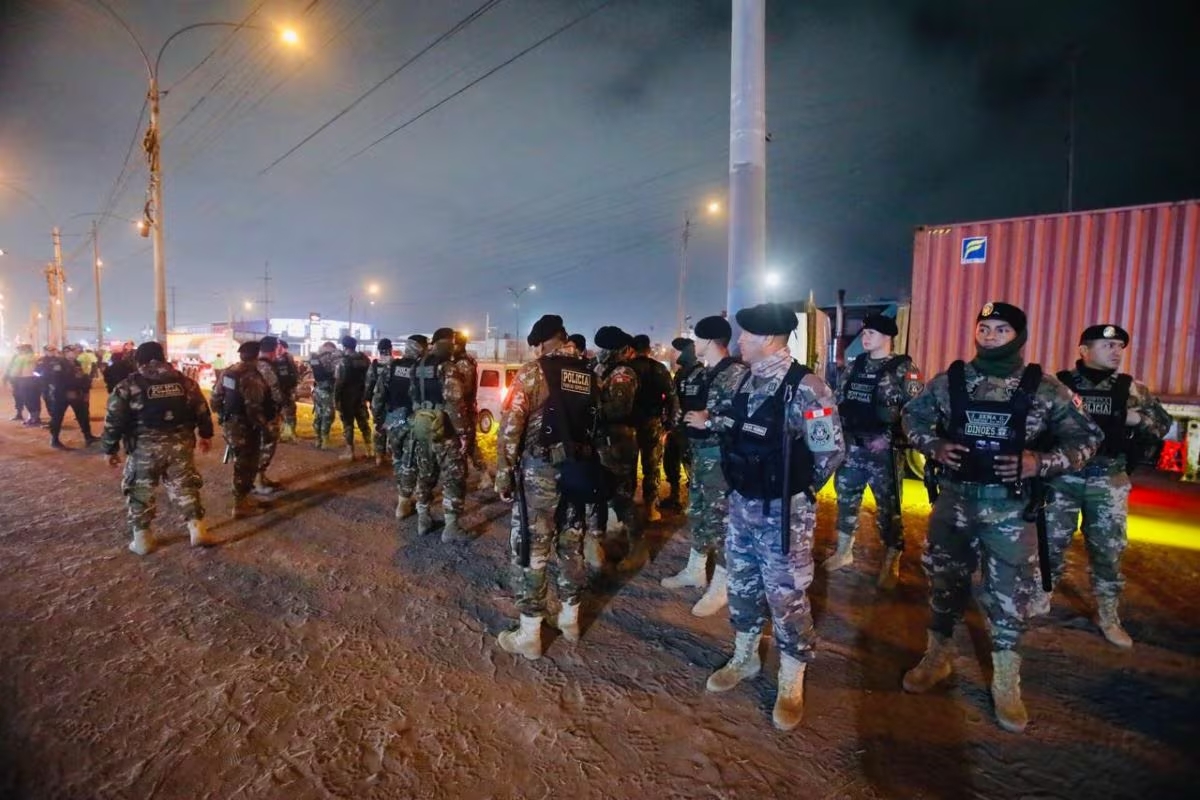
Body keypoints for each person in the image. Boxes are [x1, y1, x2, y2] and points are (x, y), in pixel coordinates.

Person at [901, 301, 1102, 734]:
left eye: (1001, 330)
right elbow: (912, 417)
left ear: (1018, 337)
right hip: (954, 503)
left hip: (1010, 510)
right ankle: (938, 656)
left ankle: (1007, 680)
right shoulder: (951, 380)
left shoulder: (1044, 388)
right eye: (984, 327)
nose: (989, 336)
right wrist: (932, 446)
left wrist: (1039, 462)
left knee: (1009, 596)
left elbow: (1087, 439)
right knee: (944, 582)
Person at [687, 303, 844, 731]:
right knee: (741, 583)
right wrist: (710, 421)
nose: (739, 341)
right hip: (742, 504)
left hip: (783, 514)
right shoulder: (745, 381)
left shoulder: (807, 388)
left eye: (746, 335)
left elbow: (829, 451)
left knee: (787, 596)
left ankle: (791, 679)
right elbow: (741, 426)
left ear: (769, 339)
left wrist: (797, 489)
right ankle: (745, 657)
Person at [1045, 324, 1172, 648]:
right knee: (1049, 545)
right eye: (1107, 345)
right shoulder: (1059, 386)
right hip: (1064, 476)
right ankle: (1040, 599)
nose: (1115, 351)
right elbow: (1036, 423)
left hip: (1108, 478)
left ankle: (1108, 615)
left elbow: (1162, 425)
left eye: (1119, 346)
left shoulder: (1133, 390)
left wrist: (1135, 419)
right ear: (1084, 351)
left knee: (1108, 550)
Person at [495, 315, 598, 659]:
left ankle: (529, 634)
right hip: (578, 471)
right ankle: (570, 620)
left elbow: (511, 427)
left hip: (540, 472)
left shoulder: (533, 371)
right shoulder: (587, 372)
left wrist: (504, 472)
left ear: (542, 342)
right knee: (571, 543)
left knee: (532, 548)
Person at [826, 313, 924, 588]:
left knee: (888, 509)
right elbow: (839, 400)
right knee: (846, 499)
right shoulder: (855, 366)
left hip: (884, 454)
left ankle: (892, 558)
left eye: (871, 333)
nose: (865, 337)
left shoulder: (906, 369)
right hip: (853, 448)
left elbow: (917, 411)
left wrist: (894, 436)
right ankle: (843, 551)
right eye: (865, 332)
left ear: (887, 337)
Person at [100, 341, 216, 554]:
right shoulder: (185, 383)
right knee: (186, 487)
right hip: (180, 446)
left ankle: (142, 538)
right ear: (162, 358)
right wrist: (205, 435)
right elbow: (202, 410)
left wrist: (109, 449)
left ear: (139, 360)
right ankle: (197, 529)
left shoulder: (128, 386)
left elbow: (113, 420)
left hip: (144, 449)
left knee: (140, 490)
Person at [667, 316, 748, 617]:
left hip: (721, 458)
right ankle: (696, 569)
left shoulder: (736, 374)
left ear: (710, 340)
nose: (694, 343)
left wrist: (709, 421)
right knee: (699, 513)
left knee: (721, 522)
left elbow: (744, 420)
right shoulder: (707, 373)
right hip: (701, 455)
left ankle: (722, 586)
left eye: (697, 338)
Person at [410, 327, 472, 541]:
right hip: (444, 430)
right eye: (452, 342)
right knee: (454, 476)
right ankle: (451, 527)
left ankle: (423, 518)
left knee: (425, 474)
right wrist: (463, 433)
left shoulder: (418, 365)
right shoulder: (448, 368)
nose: (454, 346)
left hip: (422, 426)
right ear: (443, 342)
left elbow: (413, 396)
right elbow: (454, 403)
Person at [588, 325, 640, 567]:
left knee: (621, 497)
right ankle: (601, 546)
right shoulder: (598, 369)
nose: (600, 353)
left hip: (618, 444)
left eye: (605, 348)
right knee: (597, 493)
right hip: (600, 442)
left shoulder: (623, 374)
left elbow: (621, 408)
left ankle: (636, 549)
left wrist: (591, 412)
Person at [211, 341, 272, 519]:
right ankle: (240, 505)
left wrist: (223, 415)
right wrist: (264, 426)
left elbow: (215, 397)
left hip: (231, 423)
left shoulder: (229, 371)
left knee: (241, 461)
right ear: (256, 356)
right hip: (246, 425)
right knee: (246, 464)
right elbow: (253, 407)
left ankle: (243, 499)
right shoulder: (251, 376)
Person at [373, 334, 428, 518]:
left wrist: (378, 420)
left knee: (398, 458)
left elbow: (379, 395)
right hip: (413, 418)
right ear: (421, 348)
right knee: (412, 460)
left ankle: (404, 494)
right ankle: (405, 501)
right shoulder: (421, 369)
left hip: (394, 417)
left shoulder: (392, 366)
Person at [627, 334, 677, 521]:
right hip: (652, 422)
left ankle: (629, 505)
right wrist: (669, 423)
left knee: (629, 466)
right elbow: (672, 398)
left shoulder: (626, 369)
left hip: (628, 425)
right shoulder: (659, 369)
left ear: (631, 349)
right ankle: (650, 507)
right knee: (651, 466)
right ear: (648, 349)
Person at [661, 337, 703, 512]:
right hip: (676, 428)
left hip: (690, 429)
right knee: (670, 462)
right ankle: (674, 496)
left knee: (691, 467)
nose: (676, 353)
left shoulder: (700, 374)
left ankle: (697, 504)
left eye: (680, 349)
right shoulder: (680, 373)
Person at [451, 330, 491, 488]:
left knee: (468, 444)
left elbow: (464, 389)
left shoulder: (463, 363)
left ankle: (484, 474)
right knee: (466, 444)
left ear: (457, 344)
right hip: (463, 409)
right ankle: (469, 474)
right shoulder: (461, 360)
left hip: (464, 410)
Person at [45, 344, 99, 449]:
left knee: (83, 415)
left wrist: (86, 391)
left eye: (76, 352)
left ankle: (88, 437)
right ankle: (54, 439)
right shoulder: (58, 363)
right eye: (73, 351)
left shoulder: (77, 363)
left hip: (77, 394)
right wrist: (66, 392)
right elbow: (56, 380)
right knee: (57, 417)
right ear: (66, 352)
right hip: (61, 395)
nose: (75, 353)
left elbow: (82, 378)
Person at [253, 336, 287, 493]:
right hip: (266, 414)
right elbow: (276, 393)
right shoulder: (267, 368)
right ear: (274, 349)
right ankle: (258, 482)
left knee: (257, 446)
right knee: (267, 446)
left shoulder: (253, 364)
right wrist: (281, 407)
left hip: (252, 413)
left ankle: (260, 478)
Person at [334, 335, 372, 460]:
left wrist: (336, 399)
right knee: (363, 423)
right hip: (360, 396)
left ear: (344, 346)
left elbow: (339, 382)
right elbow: (369, 378)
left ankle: (349, 452)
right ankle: (370, 449)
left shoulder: (344, 361)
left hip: (347, 397)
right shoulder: (364, 359)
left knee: (348, 424)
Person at [365, 338, 395, 466]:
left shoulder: (375, 364)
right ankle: (393, 455)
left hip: (377, 402)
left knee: (378, 427)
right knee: (392, 427)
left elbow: (369, 383)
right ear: (391, 349)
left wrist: (368, 399)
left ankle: (379, 456)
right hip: (392, 401)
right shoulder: (396, 364)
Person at [309, 341, 339, 449]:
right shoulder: (331, 356)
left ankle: (318, 438)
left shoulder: (315, 357)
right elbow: (336, 373)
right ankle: (325, 439)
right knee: (328, 415)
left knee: (318, 414)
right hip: (328, 390)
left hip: (317, 390)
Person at [5, 344, 40, 424]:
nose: (19, 351)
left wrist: (10, 378)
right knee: (34, 399)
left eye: (20, 349)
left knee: (27, 399)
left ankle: (33, 417)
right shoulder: (36, 356)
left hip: (23, 379)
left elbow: (16, 370)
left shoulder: (21, 357)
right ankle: (35, 417)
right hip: (34, 380)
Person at [274, 341, 300, 443]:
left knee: (289, 412)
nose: (278, 349)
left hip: (286, 389)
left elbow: (290, 375)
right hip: (281, 389)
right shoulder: (282, 358)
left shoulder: (286, 358)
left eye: (280, 347)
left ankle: (289, 434)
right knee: (281, 413)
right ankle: (284, 433)